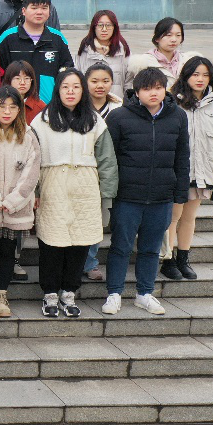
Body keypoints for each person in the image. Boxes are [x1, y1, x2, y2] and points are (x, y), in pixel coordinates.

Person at [102, 67, 190, 316]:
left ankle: (145, 293)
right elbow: (109, 158)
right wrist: (109, 191)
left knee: (151, 248)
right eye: (147, 88)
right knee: (120, 246)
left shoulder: (177, 116)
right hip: (127, 196)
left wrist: (180, 191)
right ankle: (114, 293)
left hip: (162, 195)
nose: (154, 93)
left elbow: (182, 156)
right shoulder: (119, 117)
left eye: (159, 88)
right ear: (137, 91)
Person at [31, 69, 118, 318]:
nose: (71, 91)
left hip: (85, 187)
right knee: (51, 243)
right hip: (53, 186)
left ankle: (69, 293)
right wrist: (34, 190)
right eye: (65, 86)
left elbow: (107, 160)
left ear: (83, 91)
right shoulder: (42, 120)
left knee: (80, 243)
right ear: (57, 90)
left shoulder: (94, 121)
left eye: (76, 87)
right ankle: (50, 294)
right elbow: (32, 158)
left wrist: (106, 194)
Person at [164, 56, 213, 280]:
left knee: (189, 217)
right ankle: (167, 260)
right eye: (195, 74)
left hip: (203, 171)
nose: (200, 79)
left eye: (205, 75)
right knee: (173, 216)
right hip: (177, 170)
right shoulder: (172, 101)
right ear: (186, 76)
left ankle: (183, 259)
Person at [0, 87, 41, 320]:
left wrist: (14, 199)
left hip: (16, 207)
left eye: (13, 107)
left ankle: (2, 294)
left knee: (8, 251)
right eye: (2, 106)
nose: (7, 111)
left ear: (19, 110)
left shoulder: (28, 135)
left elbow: (32, 171)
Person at [82, 62, 123, 280]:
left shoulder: (120, 109)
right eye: (94, 81)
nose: (100, 85)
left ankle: (90, 262)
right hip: (83, 170)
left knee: (98, 219)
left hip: (109, 171)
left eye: (106, 81)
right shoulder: (78, 106)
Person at [0, 0, 73, 105]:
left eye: (44, 8)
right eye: (34, 8)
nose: (39, 12)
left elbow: (67, 71)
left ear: (50, 12)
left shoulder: (58, 38)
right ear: (23, 11)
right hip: (14, 105)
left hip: (49, 105)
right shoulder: (7, 38)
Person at [76, 10, 131, 94]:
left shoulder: (123, 51)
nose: (104, 29)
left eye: (108, 25)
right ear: (94, 27)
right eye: (100, 25)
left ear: (114, 27)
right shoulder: (84, 51)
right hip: (90, 101)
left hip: (117, 100)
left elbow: (128, 83)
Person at [130, 17, 199, 84]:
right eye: (169, 35)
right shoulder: (143, 63)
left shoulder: (188, 60)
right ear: (157, 38)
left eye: (178, 35)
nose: (174, 39)